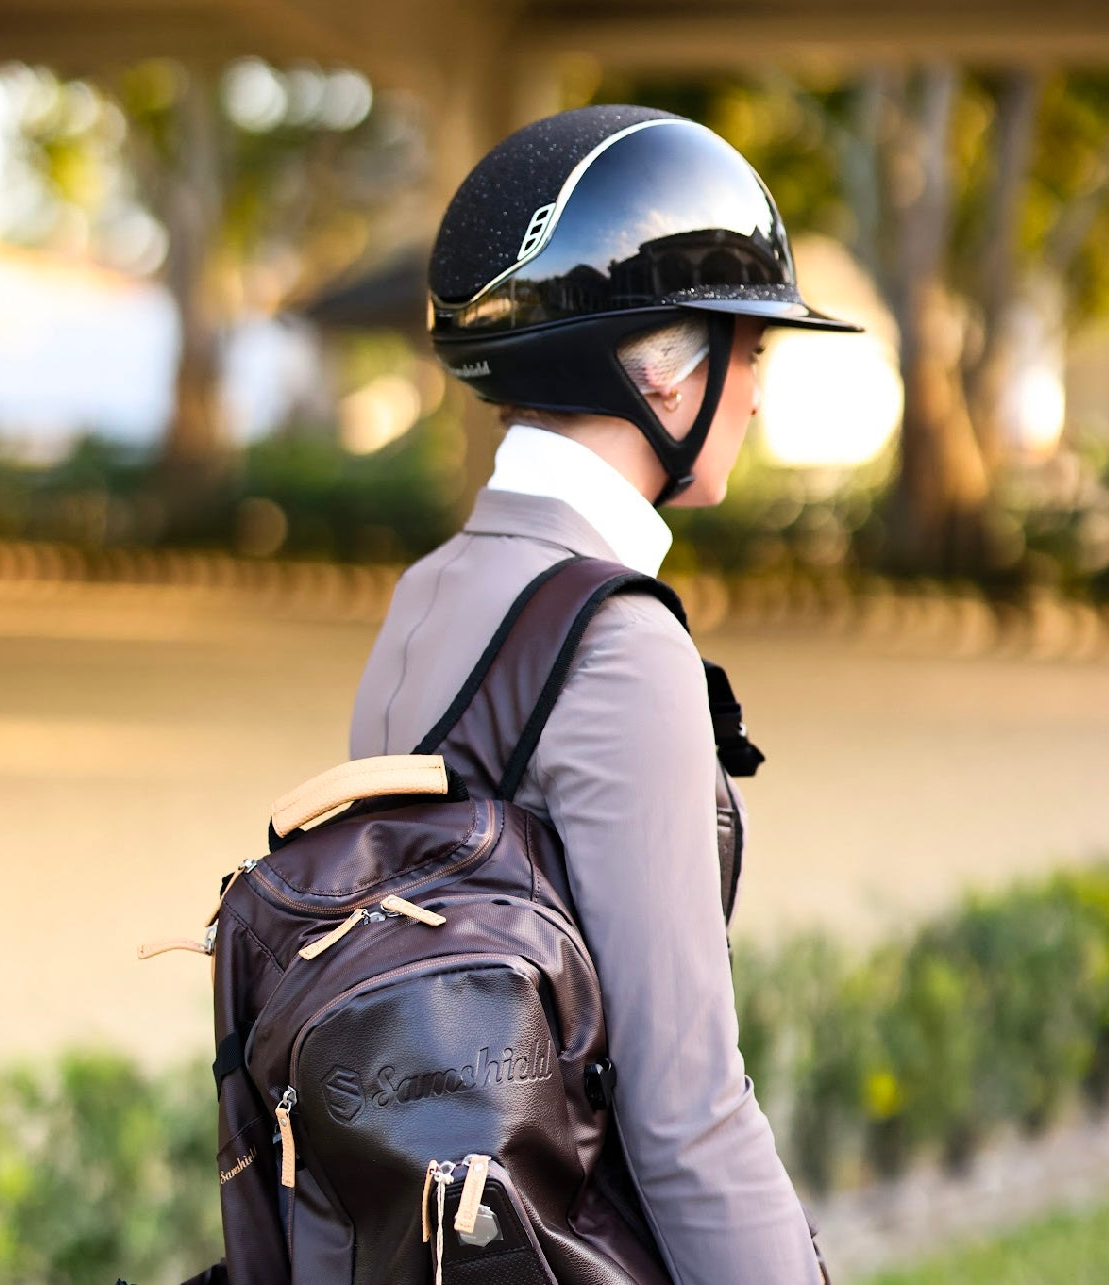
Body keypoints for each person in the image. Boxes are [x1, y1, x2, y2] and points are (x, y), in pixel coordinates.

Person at [350, 105, 859, 1285]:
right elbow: (687, 1117)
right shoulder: (619, 646)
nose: (757, 397)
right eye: (755, 351)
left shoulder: (423, 597)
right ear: (663, 368)